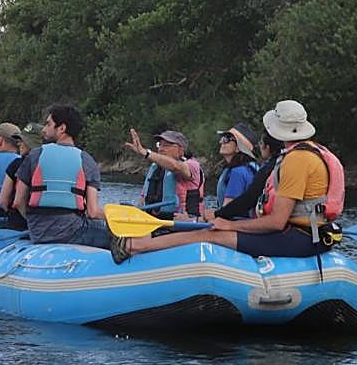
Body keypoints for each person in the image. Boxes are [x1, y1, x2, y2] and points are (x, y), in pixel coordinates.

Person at [115, 100, 345, 261]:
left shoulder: (297, 160)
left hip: (299, 239)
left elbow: (276, 222)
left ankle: (136, 246)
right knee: (213, 230)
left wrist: (228, 224)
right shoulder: (315, 151)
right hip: (310, 234)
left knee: (208, 234)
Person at [13, 104, 110, 248]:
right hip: (74, 232)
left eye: (48, 124)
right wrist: (116, 216)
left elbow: (18, 202)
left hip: (37, 232)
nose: (44, 130)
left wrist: (36, 222)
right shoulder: (87, 160)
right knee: (119, 234)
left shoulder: (34, 156)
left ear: (62, 128)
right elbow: (93, 212)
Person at [124, 129, 205, 221]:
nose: (161, 148)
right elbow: (143, 200)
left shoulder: (192, 165)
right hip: (155, 220)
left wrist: (145, 152)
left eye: (166, 145)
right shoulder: (156, 168)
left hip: (183, 220)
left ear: (181, 149)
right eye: (160, 144)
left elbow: (175, 166)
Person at [0, 123, 41, 231]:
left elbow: (3, 202)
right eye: (19, 140)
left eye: (24, 141)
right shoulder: (47, 164)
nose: (19, 143)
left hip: (17, 225)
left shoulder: (16, 164)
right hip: (42, 225)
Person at [212, 123, 259, 218]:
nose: (221, 142)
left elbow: (227, 210)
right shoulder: (252, 168)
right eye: (222, 139)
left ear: (238, 148)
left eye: (226, 139)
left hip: (237, 225)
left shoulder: (238, 172)